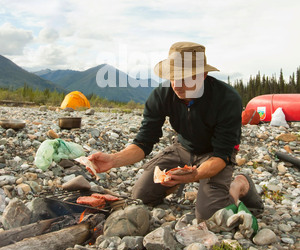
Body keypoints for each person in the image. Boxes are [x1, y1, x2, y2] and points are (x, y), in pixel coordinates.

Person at [88, 42, 264, 221]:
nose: (177, 85)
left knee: (210, 216)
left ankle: (240, 184)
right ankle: (172, 185)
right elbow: (143, 142)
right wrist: (113, 160)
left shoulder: (226, 98)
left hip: (215, 155)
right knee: (141, 196)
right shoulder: (161, 95)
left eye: (186, 77)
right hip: (183, 148)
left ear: (203, 75)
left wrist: (193, 175)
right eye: (173, 76)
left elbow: (222, 156)